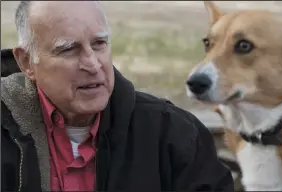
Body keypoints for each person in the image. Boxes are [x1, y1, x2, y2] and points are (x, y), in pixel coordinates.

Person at [1, 1, 234, 192]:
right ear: (26, 62)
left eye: (99, 43)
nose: (93, 64)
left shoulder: (176, 135)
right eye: (68, 49)